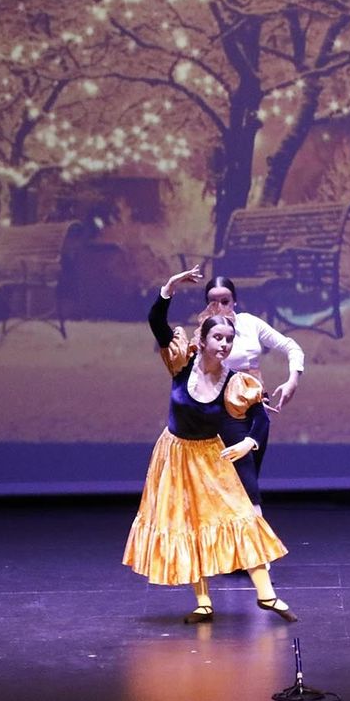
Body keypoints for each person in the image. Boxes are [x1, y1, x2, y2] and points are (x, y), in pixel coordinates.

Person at [122, 265, 297, 623]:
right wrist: (168, 286)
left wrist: (248, 442)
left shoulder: (234, 382)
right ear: (201, 342)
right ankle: (203, 601)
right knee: (188, 524)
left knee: (243, 515)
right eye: (218, 339)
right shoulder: (181, 366)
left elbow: (260, 416)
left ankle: (266, 594)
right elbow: (157, 323)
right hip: (174, 455)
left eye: (229, 340)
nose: (225, 345)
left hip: (210, 454)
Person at [194, 275, 305, 513]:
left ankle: (239, 544)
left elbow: (290, 346)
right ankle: (255, 541)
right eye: (213, 302)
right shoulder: (205, 334)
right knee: (245, 482)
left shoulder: (248, 323)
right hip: (225, 410)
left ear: (234, 301)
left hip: (257, 406)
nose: (220, 307)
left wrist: (292, 380)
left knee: (250, 472)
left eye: (225, 300)